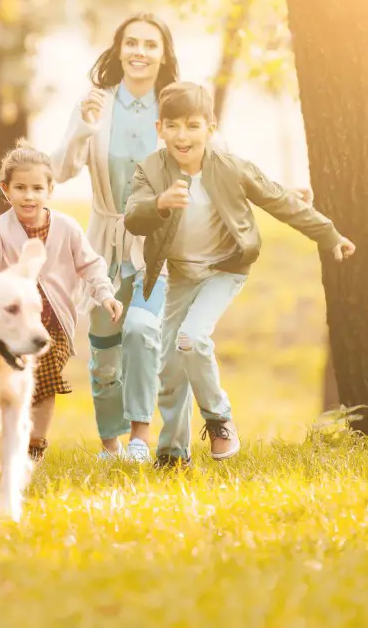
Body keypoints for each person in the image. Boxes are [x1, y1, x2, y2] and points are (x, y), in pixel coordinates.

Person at [124, 82, 355, 466]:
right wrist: (159, 203)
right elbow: (133, 215)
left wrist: (328, 233)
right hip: (181, 274)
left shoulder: (231, 167)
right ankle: (172, 452)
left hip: (225, 269)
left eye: (193, 125)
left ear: (210, 128)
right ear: (159, 128)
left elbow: (280, 200)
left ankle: (218, 419)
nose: (183, 136)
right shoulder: (149, 170)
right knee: (169, 368)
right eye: (174, 126)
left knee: (191, 339)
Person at [50, 13, 178, 462]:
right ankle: (111, 444)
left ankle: (141, 440)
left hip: (157, 245)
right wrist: (83, 128)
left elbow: (211, 165)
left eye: (150, 44)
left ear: (164, 55)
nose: (140, 52)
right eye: (132, 43)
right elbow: (59, 171)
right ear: (119, 49)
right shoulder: (96, 104)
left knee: (143, 330)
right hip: (103, 241)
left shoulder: (174, 108)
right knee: (104, 350)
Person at [0, 141, 124, 464]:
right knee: (14, 383)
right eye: (20, 188)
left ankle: (35, 446)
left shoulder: (66, 228)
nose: (28, 196)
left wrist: (106, 295)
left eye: (36, 188)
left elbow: (90, 264)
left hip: (54, 324)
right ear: (5, 189)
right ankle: (16, 439)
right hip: (14, 325)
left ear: (49, 190)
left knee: (43, 380)